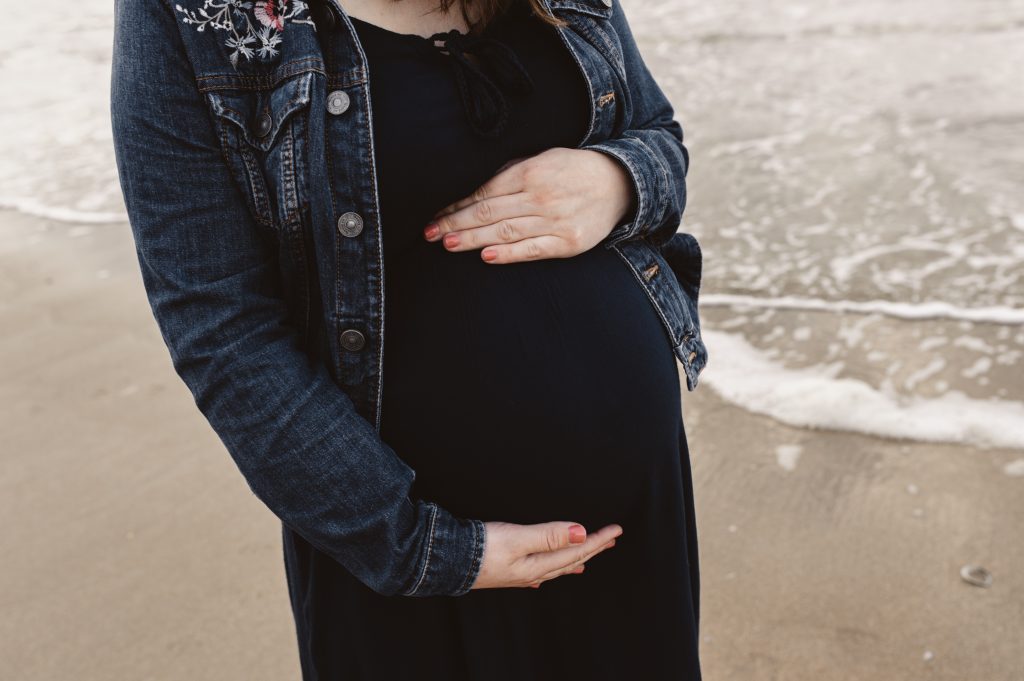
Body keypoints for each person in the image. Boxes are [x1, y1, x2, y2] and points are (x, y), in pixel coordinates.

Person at [110, 0, 707, 678]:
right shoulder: (190, 15)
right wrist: (422, 547)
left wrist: (617, 182)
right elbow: (219, 323)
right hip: (410, 566)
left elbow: (656, 133)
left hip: (632, 527)